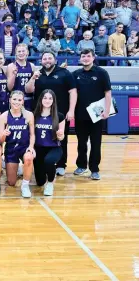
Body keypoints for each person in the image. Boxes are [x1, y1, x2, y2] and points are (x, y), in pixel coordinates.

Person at [26, 52, 77, 176]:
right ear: (41, 60)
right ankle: (41, 162)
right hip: (41, 113)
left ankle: (61, 164)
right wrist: (33, 77)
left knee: (61, 138)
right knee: (39, 137)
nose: (47, 60)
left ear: (55, 60)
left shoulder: (64, 73)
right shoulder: (38, 73)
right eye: (44, 58)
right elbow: (28, 90)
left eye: (50, 58)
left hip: (60, 114)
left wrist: (71, 110)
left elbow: (73, 92)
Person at [72, 49, 112, 180]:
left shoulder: (102, 73)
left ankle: (94, 169)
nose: (85, 58)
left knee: (96, 143)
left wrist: (106, 110)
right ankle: (81, 166)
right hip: (80, 115)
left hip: (97, 115)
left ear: (93, 58)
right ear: (80, 58)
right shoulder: (76, 74)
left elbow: (107, 93)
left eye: (88, 56)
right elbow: (73, 93)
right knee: (81, 143)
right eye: (83, 56)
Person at [0, 90, 35, 198]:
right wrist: (4, 134)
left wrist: (31, 147)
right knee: (11, 182)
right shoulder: (4, 116)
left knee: (29, 157)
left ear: (23, 101)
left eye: (19, 100)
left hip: (24, 147)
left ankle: (25, 185)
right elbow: (1, 140)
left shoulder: (29, 115)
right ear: (10, 100)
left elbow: (32, 135)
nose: (16, 102)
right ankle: (16, 167)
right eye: (14, 99)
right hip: (11, 149)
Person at [33, 89, 65, 196]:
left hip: (54, 148)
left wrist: (60, 135)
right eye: (45, 98)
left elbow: (61, 137)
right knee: (40, 182)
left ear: (53, 101)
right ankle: (46, 177)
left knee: (49, 161)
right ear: (41, 99)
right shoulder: (34, 115)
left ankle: (50, 183)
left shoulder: (59, 116)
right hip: (38, 148)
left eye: (50, 98)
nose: (47, 100)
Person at [7, 44, 36, 110]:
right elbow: (9, 87)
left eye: (23, 51)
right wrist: (13, 75)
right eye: (19, 51)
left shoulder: (32, 66)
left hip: (29, 99)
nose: (21, 53)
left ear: (27, 52)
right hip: (16, 100)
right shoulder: (11, 66)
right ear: (16, 53)